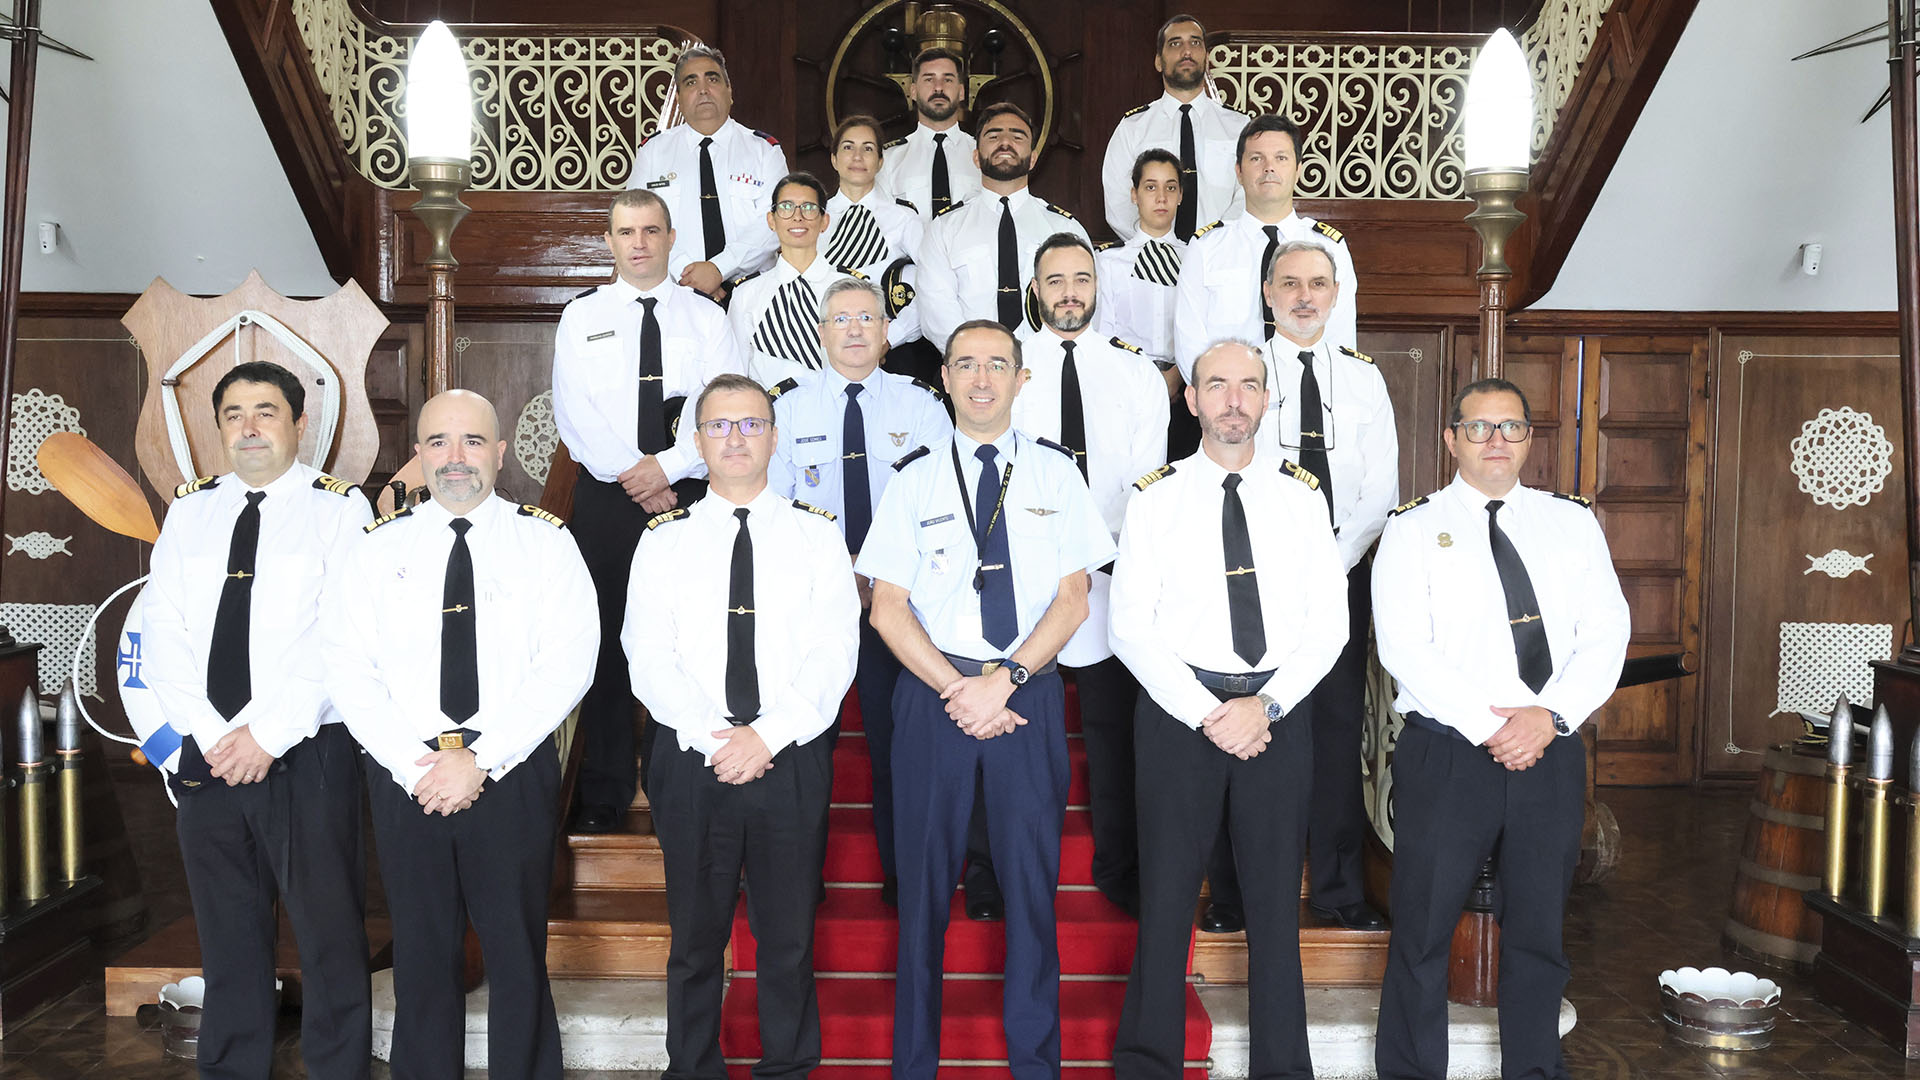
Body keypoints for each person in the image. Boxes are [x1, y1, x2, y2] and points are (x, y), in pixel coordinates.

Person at [858, 320, 1114, 1080]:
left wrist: (1005, 682)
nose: (980, 378)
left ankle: (1036, 1064)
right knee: (923, 893)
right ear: (944, 377)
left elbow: (1074, 599)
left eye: (996, 365)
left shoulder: (1056, 474)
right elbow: (887, 609)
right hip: (933, 698)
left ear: (1020, 379)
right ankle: (915, 1066)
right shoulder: (912, 478)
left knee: (1032, 890)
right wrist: (957, 689)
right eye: (965, 364)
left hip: (1025, 696)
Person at [324, 390, 598, 1080]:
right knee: (421, 952)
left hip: (510, 772)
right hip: (407, 776)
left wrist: (482, 759)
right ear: (418, 454)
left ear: (500, 454)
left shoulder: (546, 542)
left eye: (473, 441)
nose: (456, 457)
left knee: (516, 952)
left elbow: (568, 664)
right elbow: (349, 668)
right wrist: (414, 764)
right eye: (439, 442)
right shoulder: (376, 549)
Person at [1371, 378, 1629, 1080]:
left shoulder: (1571, 523)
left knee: (1539, 936)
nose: (1496, 441)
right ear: (1451, 439)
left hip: (1549, 752)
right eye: (1479, 427)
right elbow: (1404, 646)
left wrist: (1551, 716)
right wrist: (1492, 728)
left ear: (1528, 439)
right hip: (1449, 753)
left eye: (1510, 427)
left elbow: (1606, 631)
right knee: (1423, 933)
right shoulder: (1412, 527)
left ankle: (1535, 1071)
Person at [1108, 339, 1348, 1080]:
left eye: (1248, 385)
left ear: (1267, 399)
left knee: (1275, 908)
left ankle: (1284, 1069)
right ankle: (1147, 1064)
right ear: (1192, 400)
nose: (1233, 399)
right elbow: (1129, 627)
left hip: (1277, 712)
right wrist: (1210, 712)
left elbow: (1329, 625)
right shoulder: (1155, 497)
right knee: (1166, 899)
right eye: (1216, 385)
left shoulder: (1303, 496)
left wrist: (1263, 706)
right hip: (1179, 715)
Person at [140, 360, 373, 1080]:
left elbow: (343, 637)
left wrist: (267, 734)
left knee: (328, 931)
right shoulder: (190, 512)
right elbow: (162, 630)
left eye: (266, 411)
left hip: (307, 749)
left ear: (300, 424)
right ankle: (231, 1068)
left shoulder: (340, 509)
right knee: (228, 932)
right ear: (219, 428)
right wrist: (215, 736)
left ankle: (337, 1070)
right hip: (209, 752)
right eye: (234, 414)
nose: (249, 427)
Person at [625, 372, 859, 1080]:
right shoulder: (663, 541)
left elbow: (834, 650)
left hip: (789, 755)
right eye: (719, 426)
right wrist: (715, 736)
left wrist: (769, 734)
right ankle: (693, 1069)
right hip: (693, 757)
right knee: (695, 942)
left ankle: (787, 1067)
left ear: (774, 438)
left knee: (787, 939)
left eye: (751, 424)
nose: (735, 438)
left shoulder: (816, 535)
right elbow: (648, 654)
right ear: (697, 443)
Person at [1201, 240, 1400, 933]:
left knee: (1336, 736)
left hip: (1341, 575)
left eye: (1318, 283)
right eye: (1289, 283)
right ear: (1267, 292)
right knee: (1248, 730)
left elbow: (1380, 491)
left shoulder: (1365, 379)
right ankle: (1233, 894)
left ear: (1336, 294)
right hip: (1253, 580)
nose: (1304, 296)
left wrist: (1328, 564)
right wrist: (1293, 567)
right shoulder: (1243, 373)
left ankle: (1340, 892)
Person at [554, 188, 745, 831]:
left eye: (651, 231)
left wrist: (669, 468)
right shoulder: (581, 316)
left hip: (687, 493)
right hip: (607, 497)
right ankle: (605, 791)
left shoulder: (708, 318)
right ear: (609, 242)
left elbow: (720, 404)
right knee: (605, 638)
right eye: (626, 232)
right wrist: (639, 476)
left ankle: (676, 785)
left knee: (685, 639)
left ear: (670, 238)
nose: (638, 243)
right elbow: (575, 412)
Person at [767, 278, 953, 908]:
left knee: (896, 744)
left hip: (894, 605)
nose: (854, 329)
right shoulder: (789, 408)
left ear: (886, 332)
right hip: (814, 601)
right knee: (801, 744)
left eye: (867, 318)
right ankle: (798, 880)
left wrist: (881, 576)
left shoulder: (921, 406)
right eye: (841, 318)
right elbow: (777, 508)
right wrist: (840, 572)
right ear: (821, 332)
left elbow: (937, 503)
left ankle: (904, 878)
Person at [1014, 233, 1168, 915]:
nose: (1070, 292)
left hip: (1112, 565)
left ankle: (1121, 868)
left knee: (1113, 733)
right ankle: (1009, 870)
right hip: (1029, 573)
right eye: (1056, 281)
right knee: (1019, 731)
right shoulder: (1009, 367)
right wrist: (1052, 552)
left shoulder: (1135, 372)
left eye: (1081, 279)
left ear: (1097, 286)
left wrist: (1094, 549)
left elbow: (1144, 477)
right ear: (1036, 289)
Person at [1172, 114, 1358, 377]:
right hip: (1228, 396)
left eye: (1281, 158)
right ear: (1239, 171)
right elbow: (1189, 342)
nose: (1269, 167)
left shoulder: (1330, 247)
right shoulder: (1206, 248)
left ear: (1298, 169)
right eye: (1256, 159)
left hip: (1308, 391)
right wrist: (1223, 394)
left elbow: (1339, 341)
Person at [916, 102, 1092, 351]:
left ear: (1033, 159)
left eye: (1017, 136)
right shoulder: (944, 229)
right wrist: (984, 360)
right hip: (971, 364)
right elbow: (937, 311)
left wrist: (1040, 359)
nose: (1006, 142)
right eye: (994, 136)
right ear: (976, 157)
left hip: (1047, 363)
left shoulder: (1065, 229)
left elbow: (1084, 304)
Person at [627, 44, 789, 298]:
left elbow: (775, 222)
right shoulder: (653, 153)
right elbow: (638, 222)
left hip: (754, 294)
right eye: (691, 82)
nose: (703, 90)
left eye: (712, 79)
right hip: (676, 293)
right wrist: (689, 275)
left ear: (729, 91)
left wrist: (718, 269)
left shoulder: (764, 151)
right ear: (678, 99)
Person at [1100, 14, 1249, 242]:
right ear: (1158, 61)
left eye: (1195, 43)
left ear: (1206, 57)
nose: (1187, 51)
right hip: (1151, 256)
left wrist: (1214, 247)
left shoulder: (1238, 126)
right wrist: (1158, 247)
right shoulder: (1132, 128)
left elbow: (1248, 195)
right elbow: (1119, 202)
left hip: (1221, 255)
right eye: (1175, 43)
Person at [1096, 149, 1197, 458]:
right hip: (1126, 392)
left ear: (1180, 196)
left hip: (1184, 391)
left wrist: (1176, 377)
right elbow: (1103, 335)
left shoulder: (1196, 259)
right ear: (1134, 194)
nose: (1161, 197)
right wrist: (1147, 380)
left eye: (1170, 187)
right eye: (1151, 187)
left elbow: (1201, 328)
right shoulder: (1109, 261)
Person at [727, 171, 868, 387]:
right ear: (771, 220)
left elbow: (866, 362)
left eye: (809, 208)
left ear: (824, 221)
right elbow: (737, 374)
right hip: (770, 405)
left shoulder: (855, 289)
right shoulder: (746, 294)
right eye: (786, 207)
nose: (797, 216)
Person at [820, 114, 930, 374]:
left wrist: (889, 338)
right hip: (822, 346)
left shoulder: (903, 218)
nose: (857, 156)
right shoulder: (814, 217)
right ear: (834, 159)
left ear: (880, 161)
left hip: (889, 351)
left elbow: (933, 284)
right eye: (848, 147)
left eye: (868, 148)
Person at [877, 48, 981, 223]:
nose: (938, 87)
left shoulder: (984, 156)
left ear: (962, 92)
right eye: (929, 79)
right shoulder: (889, 159)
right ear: (913, 91)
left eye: (948, 79)